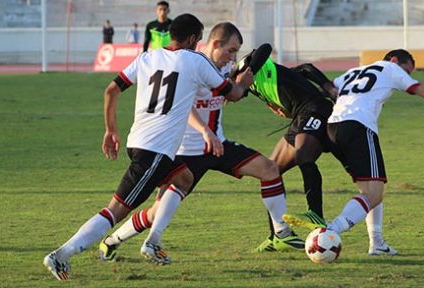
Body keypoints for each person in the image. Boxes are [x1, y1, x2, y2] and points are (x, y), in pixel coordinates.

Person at [43, 14, 254, 281]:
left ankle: (153, 239)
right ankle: (61, 255)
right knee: (115, 211)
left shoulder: (147, 57)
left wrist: (111, 130)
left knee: (183, 177)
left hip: (138, 142)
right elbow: (233, 94)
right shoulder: (195, 60)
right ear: (191, 39)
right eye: (199, 39)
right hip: (155, 151)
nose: (199, 44)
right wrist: (245, 82)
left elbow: (111, 90)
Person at [97, 22, 305, 265]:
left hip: (218, 146)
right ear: (215, 44)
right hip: (185, 151)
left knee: (269, 170)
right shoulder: (190, 64)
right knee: (155, 214)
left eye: (236, 52)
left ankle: (281, 233)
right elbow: (183, 109)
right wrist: (206, 131)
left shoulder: (225, 67)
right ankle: (112, 241)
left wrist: (266, 99)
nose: (233, 57)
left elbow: (233, 93)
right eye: (231, 50)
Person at [283, 50, 424, 255]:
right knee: (374, 193)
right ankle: (330, 231)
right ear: (394, 60)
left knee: (371, 187)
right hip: (357, 127)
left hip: (333, 128)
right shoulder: (390, 68)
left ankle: (378, 244)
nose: (406, 75)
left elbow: (324, 88)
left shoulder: (354, 72)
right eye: (406, 70)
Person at [236, 52, 397, 255]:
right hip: (300, 118)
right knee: (270, 171)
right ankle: (279, 235)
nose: (236, 96)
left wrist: (327, 86)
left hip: (317, 111)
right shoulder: (254, 90)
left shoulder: (259, 71)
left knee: (306, 157)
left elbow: (304, 68)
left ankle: (316, 215)